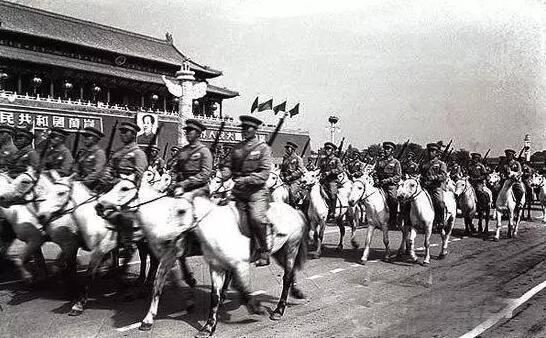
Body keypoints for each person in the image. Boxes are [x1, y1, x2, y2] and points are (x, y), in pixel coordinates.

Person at [220, 115, 272, 266]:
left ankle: (263, 251)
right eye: (243, 128)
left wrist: (246, 179)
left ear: (255, 130)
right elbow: (228, 166)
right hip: (237, 192)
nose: (244, 131)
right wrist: (224, 173)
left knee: (256, 218)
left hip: (256, 192)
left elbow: (264, 174)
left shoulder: (263, 149)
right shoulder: (237, 148)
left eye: (247, 128)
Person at [170, 119, 212, 195]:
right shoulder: (182, 151)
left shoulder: (204, 151)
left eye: (190, 131)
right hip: (181, 187)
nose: (187, 133)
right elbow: (175, 169)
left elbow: (205, 174)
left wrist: (185, 183)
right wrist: (173, 182)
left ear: (198, 134)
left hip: (199, 188)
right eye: (187, 131)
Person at [420, 143, 448, 229]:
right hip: (425, 187)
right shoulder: (424, 164)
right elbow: (421, 174)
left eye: (433, 151)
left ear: (436, 152)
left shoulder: (441, 164)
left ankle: (440, 221)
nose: (430, 153)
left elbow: (444, 176)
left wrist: (434, 177)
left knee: (439, 202)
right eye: (429, 151)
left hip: (436, 187)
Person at [375, 141, 402, 229]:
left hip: (390, 186)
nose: (386, 150)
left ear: (392, 151)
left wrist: (387, 180)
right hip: (380, 185)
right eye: (385, 148)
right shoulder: (379, 161)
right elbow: (375, 172)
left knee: (393, 200)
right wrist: (376, 180)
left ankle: (393, 221)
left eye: (388, 149)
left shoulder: (396, 162)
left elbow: (398, 176)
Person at [318, 142, 344, 220]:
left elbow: (340, 169)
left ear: (332, 150)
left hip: (333, 180)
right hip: (324, 180)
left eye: (329, 149)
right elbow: (320, 169)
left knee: (332, 194)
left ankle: (332, 211)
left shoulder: (336, 159)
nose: (327, 150)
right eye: (326, 149)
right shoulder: (323, 160)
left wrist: (330, 172)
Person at [280, 141, 305, 207]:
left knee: (292, 193)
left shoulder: (298, 158)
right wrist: (282, 175)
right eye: (286, 148)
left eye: (288, 148)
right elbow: (282, 169)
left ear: (292, 149)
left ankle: (295, 207)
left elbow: (300, 170)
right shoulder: (285, 159)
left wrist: (291, 176)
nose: (287, 149)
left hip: (295, 181)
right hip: (285, 180)